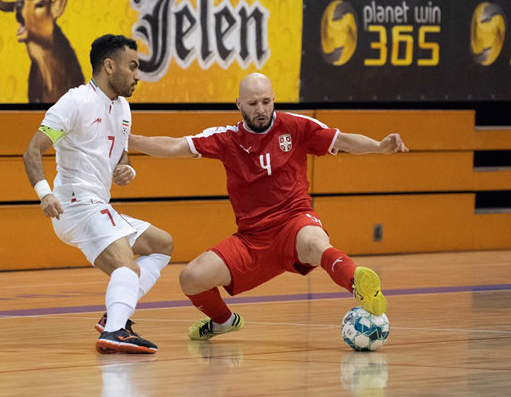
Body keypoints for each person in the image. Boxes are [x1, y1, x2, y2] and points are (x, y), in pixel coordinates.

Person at [129, 73, 408, 341]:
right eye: (252, 104)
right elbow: (174, 146)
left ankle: (358, 286)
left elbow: (343, 140)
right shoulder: (227, 138)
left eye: (266, 101)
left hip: (295, 223)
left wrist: (380, 146)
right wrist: (129, 140)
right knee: (191, 278)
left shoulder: (296, 126)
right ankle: (223, 322)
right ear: (239, 104)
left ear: (274, 99)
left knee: (315, 243)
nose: (261, 109)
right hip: (251, 240)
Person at [23, 34, 173, 354]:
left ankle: (114, 319)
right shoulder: (75, 102)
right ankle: (115, 330)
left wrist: (127, 170)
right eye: (132, 66)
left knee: (162, 244)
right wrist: (44, 193)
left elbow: (121, 156)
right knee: (127, 266)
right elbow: (32, 151)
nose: (137, 75)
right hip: (75, 203)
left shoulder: (123, 109)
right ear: (109, 66)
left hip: (97, 203)